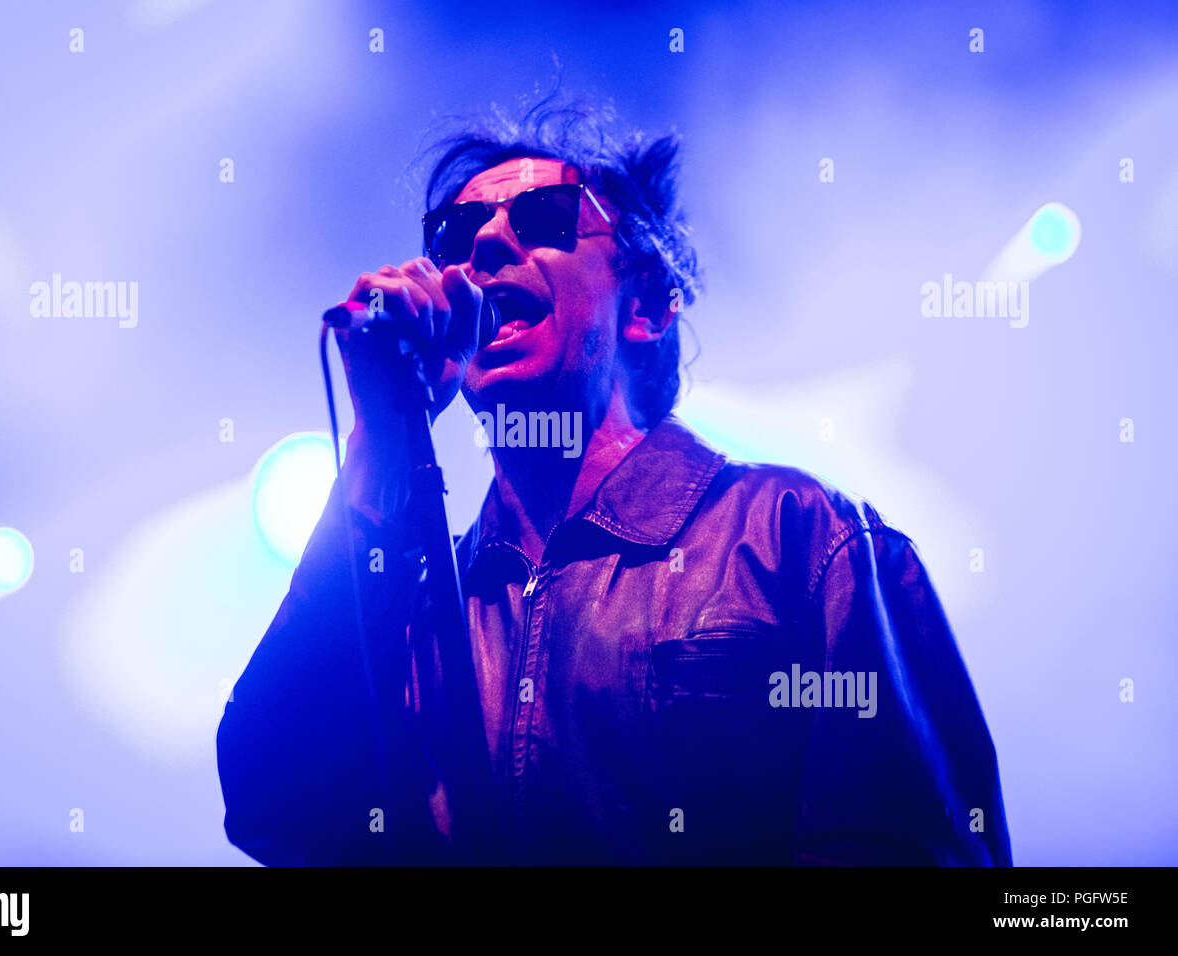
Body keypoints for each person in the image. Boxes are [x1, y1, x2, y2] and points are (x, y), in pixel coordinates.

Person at [216, 97, 1013, 866]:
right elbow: (271, 804)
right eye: (457, 233)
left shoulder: (797, 537)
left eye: (543, 220)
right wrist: (378, 451)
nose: (487, 242)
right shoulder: (422, 605)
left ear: (649, 308)